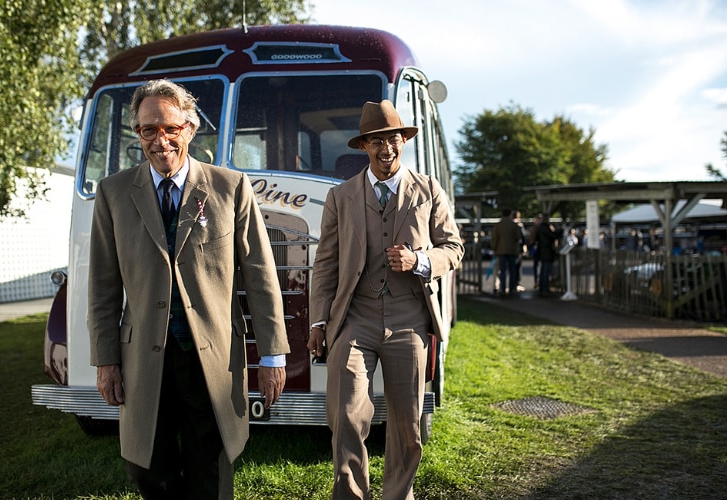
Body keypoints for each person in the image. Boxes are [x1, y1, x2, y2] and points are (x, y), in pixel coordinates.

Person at [88, 79, 290, 499]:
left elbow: (260, 274)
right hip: (143, 357)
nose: (160, 140)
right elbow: (103, 284)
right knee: (146, 469)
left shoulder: (230, 188)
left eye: (169, 128)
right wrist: (105, 359)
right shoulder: (113, 193)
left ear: (190, 129)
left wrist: (272, 355)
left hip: (213, 357)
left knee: (212, 475)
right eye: (149, 130)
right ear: (138, 133)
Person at [307, 100, 464, 499]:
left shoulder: (428, 190)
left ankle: (398, 495)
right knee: (344, 416)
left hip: (409, 317)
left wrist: (421, 260)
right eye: (376, 141)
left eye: (392, 139)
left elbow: (454, 248)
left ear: (403, 141)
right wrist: (319, 322)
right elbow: (325, 264)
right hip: (355, 318)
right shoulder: (341, 197)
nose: (386, 148)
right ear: (364, 146)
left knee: (408, 427)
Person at [490, 208, 524, 297]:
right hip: (512, 251)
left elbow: (494, 239)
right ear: (510, 214)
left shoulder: (498, 225)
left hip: (500, 251)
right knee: (512, 270)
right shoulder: (514, 225)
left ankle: (503, 289)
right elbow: (518, 237)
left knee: (502, 271)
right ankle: (512, 288)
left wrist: (494, 249)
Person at [535, 215, 561, 297]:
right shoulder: (544, 228)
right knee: (545, 271)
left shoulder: (540, 228)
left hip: (543, 252)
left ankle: (543, 288)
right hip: (546, 252)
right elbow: (552, 236)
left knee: (544, 271)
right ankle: (544, 289)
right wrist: (558, 232)